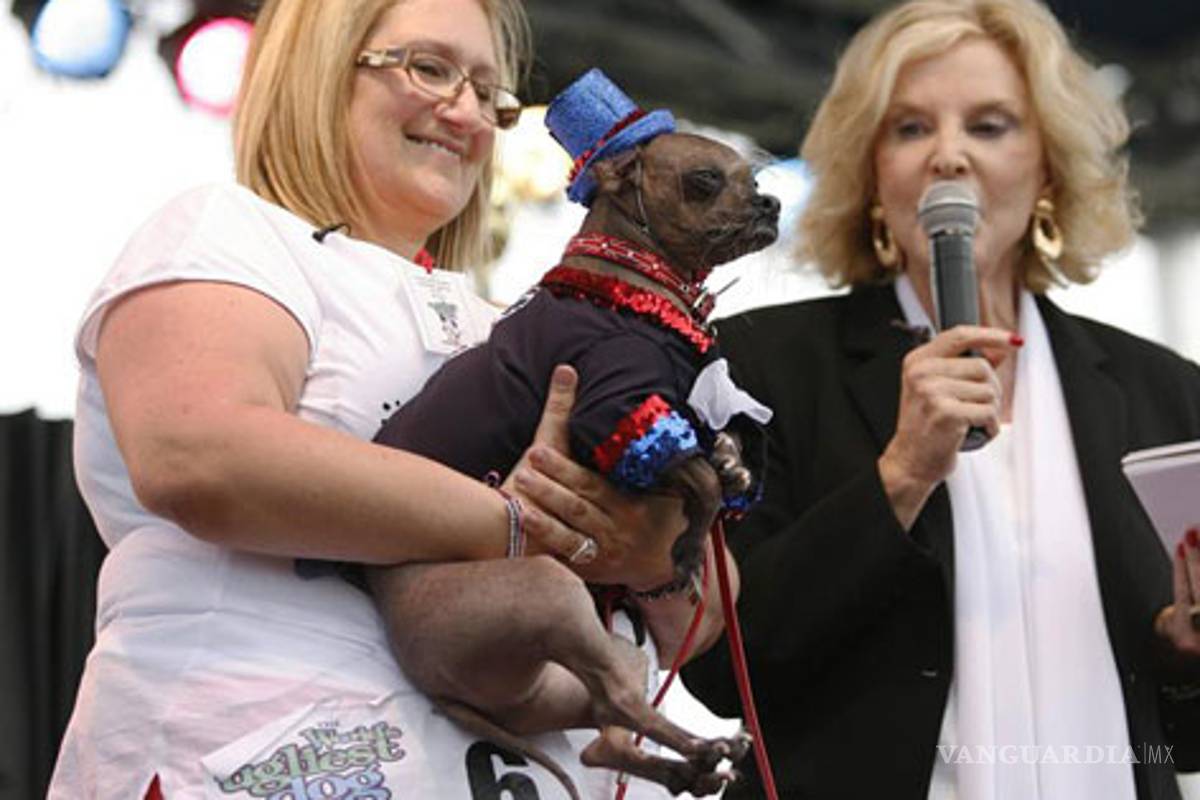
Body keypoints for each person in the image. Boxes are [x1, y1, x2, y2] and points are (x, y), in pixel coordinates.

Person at [49, 0, 729, 797]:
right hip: (258, 756)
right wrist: (522, 526)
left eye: (489, 94)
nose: (466, 113)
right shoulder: (230, 230)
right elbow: (200, 457)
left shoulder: (520, 324)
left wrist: (648, 554)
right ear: (315, 72)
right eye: (429, 69)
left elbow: (703, 614)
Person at [682, 0, 1200, 798]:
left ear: (1049, 168)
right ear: (871, 172)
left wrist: (1184, 652)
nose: (948, 155)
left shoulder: (1163, 391)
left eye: (989, 126)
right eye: (911, 128)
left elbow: (1183, 739)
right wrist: (901, 476)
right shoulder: (761, 367)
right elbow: (722, 667)